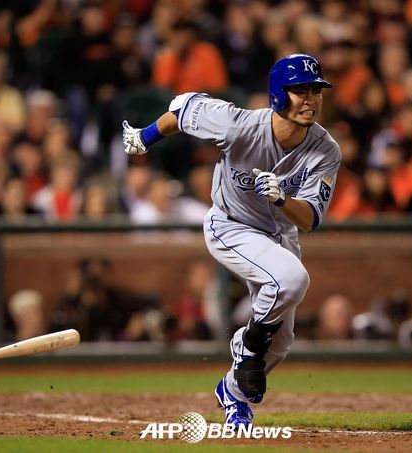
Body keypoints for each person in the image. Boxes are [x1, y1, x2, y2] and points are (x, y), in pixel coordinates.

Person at [122, 54, 341, 428]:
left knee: (281, 341)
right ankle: (247, 347)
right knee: (292, 281)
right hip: (231, 225)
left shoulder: (326, 150)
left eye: (315, 92)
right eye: (300, 91)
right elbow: (183, 110)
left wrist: (282, 199)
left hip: (279, 235)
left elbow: (310, 219)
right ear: (278, 94)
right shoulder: (239, 125)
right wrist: (144, 137)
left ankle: (232, 393)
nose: (310, 100)